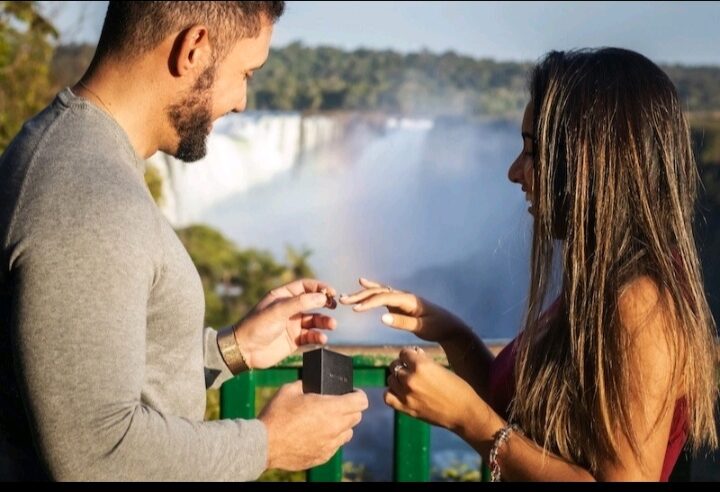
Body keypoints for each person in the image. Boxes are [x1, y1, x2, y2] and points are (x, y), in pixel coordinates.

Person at [0, 1, 367, 481]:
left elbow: (77, 369)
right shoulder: (89, 197)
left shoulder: (78, 158)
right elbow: (97, 455)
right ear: (193, 49)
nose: (242, 102)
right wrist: (269, 443)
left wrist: (230, 351)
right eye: (246, 74)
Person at [340, 48, 719, 481]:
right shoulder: (600, 285)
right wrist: (447, 329)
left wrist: (471, 422)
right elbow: (525, 418)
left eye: (532, 150)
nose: (514, 172)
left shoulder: (639, 303)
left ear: (591, 159)